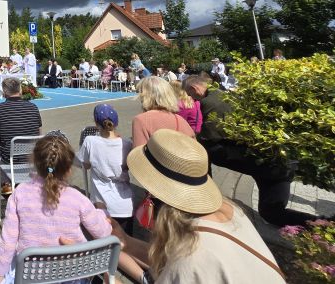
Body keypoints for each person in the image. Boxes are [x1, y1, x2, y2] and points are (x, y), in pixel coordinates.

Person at [120, 129, 286, 283]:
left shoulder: (189, 258)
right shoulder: (232, 210)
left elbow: (179, 267)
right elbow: (168, 262)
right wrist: (126, 241)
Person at [0, 135, 143, 284]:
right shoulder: (78, 198)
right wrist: (102, 212)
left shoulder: (19, 193)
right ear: (69, 169)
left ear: (34, 162)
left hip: (29, 276)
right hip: (71, 276)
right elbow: (103, 232)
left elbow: (7, 242)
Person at [182, 75, 316, 226]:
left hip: (272, 165)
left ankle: (324, 224)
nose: (190, 97)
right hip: (269, 163)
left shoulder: (210, 102)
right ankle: (321, 224)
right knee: (270, 212)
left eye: (189, 93)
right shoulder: (222, 94)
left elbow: (209, 139)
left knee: (206, 150)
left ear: (195, 88)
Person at [77, 104, 134, 234]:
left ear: (96, 123)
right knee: (126, 242)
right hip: (125, 205)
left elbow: (85, 165)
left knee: (106, 242)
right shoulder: (127, 144)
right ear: (116, 122)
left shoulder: (90, 141)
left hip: (102, 206)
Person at [0, 77, 42, 192]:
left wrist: (4, 140)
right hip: (31, 156)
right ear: (20, 90)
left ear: (4, 92)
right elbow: (38, 134)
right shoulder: (33, 107)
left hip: (10, 158)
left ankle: (6, 183)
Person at [131, 76, 194, 147]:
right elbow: (193, 146)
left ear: (145, 96)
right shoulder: (179, 119)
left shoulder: (141, 120)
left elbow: (139, 151)